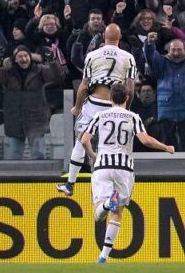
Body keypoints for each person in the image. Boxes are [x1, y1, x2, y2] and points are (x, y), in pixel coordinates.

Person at [80, 83, 174, 263]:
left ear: (110, 98)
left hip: (103, 165)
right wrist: (165, 147)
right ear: (127, 98)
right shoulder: (133, 117)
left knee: (98, 214)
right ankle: (103, 256)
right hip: (124, 167)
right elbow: (145, 140)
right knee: (118, 213)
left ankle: (107, 203)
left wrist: (93, 156)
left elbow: (84, 140)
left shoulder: (100, 115)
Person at [56, 23, 137, 196]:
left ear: (103, 38)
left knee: (81, 140)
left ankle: (70, 184)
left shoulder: (92, 56)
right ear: (120, 37)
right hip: (115, 106)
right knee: (113, 146)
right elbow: (130, 89)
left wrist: (77, 107)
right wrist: (126, 110)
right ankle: (116, 189)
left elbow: (84, 85)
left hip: (95, 103)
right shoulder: (128, 57)